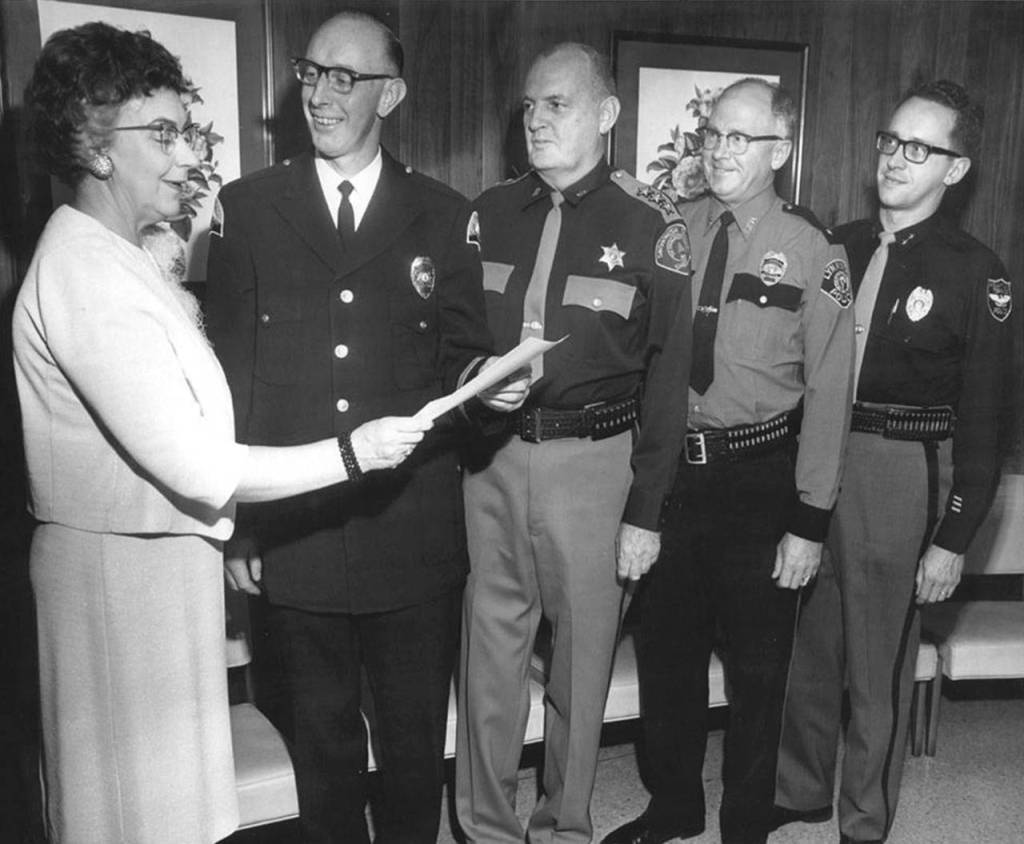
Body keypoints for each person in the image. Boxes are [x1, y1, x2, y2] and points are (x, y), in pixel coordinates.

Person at [13, 22, 431, 844]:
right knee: (132, 811)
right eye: (161, 134)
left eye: (184, 128)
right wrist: (353, 451)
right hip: (114, 578)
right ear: (94, 146)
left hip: (156, 565)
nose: (185, 154)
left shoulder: (123, 253)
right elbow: (200, 462)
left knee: (173, 806)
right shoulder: (83, 270)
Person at [203, 10, 526, 844]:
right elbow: (232, 387)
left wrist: (491, 396)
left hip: (408, 533)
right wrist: (239, 526)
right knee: (323, 747)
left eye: (346, 78)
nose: (320, 94)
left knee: (416, 748)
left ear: (393, 93)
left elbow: (464, 358)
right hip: (299, 530)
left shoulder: (444, 215)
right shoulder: (248, 209)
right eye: (312, 73)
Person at [604, 77, 854, 844]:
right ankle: (673, 803)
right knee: (668, 656)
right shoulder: (674, 227)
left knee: (758, 670)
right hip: (675, 476)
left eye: (739, 138)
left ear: (780, 150)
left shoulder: (814, 248)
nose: (717, 150)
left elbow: (830, 392)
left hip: (758, 480)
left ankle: (747, 819)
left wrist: (808, 522)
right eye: (711, 134)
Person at [456, 43, 694, 844]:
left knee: (580, 666)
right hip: (490, 460)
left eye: (558, 104)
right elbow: (449, 339)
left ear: (606, 114)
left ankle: (562, 828)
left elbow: (667, 389)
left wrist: (646, 513)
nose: (538, 120)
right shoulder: (486, 214)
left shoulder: (651, 229)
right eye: (530, 106)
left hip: (595, 467)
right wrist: (477, 379)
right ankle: (484, 827)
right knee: (489, 661)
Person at [774, 80, 1017, 844]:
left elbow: (984, 421)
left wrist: (952, 538)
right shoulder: (835, 246)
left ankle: (865, 814)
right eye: (890, 141)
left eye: (921, 148)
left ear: (956, 169)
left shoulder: (979, 272)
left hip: (896, 465)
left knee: (877, 654)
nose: (896, 159)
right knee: (807, 638)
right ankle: (800, 788)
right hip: (816, 455)